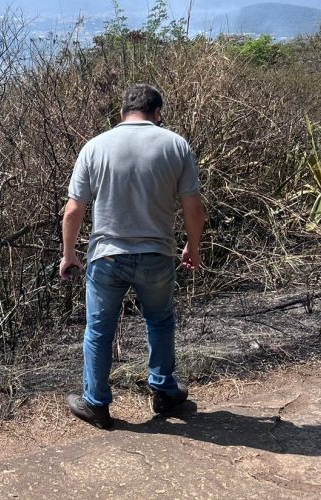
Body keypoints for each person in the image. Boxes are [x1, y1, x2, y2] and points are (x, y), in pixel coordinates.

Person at [59, 84, 206, 429]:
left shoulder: (94, 147)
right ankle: (165, 392)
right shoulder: (175, 145)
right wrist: (193, 246)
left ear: (123, 112)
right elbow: (194, 208)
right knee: (159, 321)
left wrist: (69, 254)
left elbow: (73, 210)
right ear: (157, 113)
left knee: (99, 331)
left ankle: (96, 403)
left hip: (107, 257)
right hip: (157, 253)